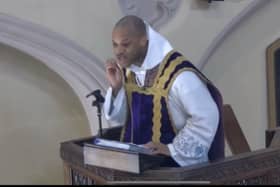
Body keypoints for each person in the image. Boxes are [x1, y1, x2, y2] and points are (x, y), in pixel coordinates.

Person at [103, 15, 224, 167]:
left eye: (125, 45)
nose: (118, 52)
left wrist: (173, 150)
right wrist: (116, 88)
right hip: (137, 167)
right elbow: (121, 119)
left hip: (174, 170)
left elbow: (207, 114)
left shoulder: (179, 75)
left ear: (143, 40)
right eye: (115, 45)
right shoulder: (129, 72)